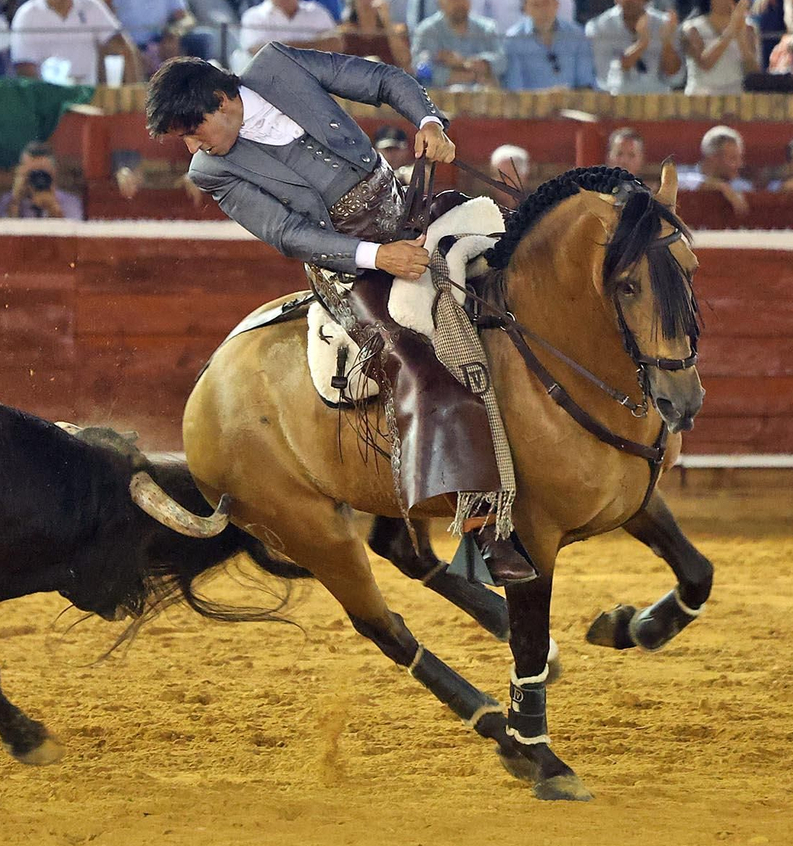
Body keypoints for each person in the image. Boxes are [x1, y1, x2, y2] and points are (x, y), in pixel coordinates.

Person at [146, 52, 534, 581]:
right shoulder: (212, 170)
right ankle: (483, 528)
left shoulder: (279, 65)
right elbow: (288, 233)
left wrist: (428, 121)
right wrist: (379, 257)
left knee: (526, 264)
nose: (193, 147)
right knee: (418, 365)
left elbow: (381, 79)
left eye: (193, 131)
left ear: (223, 100)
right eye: (184, 140)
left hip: (409, 207)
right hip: (350, 269)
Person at [10, 0, 138, 83]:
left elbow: (121, 45)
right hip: (45, 96)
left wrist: (133, 92)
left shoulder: (91, 5)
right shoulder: (27, 14)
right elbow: (24, 68)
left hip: (89, 95)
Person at [585, 0, 685, 92]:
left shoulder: (665, 24)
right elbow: (606, 77)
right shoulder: (599, 27)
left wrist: (666, 43)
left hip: (658, 100)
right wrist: (641, 43)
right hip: (617, 101)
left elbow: (676, 78)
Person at [411, 0, 506, 88]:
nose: (459, 3)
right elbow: (421, 69)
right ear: (440, 2)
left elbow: (502, 62)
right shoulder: (427, 31)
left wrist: (463, 62)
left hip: (482, 101)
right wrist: (469, 75)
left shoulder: (487, 28)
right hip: (439, 102)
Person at [503, 0, 596, 89]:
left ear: (556, 4)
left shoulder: (577, 36)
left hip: (571, 105)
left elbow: (586, 83)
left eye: (546, 3)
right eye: (535, 5)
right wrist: (548, 97)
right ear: (526, 8)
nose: (542, 10)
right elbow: (514, 89)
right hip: (528, 105)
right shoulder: (513, 40)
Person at [681, 0, 760, 94]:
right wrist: (730, 31)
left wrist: (741, 37)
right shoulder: (692, 28)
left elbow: (752, 72)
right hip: (701, 97)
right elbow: (705, 63)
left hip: (736, 97)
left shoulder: (749, 27)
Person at [338, 0, 409, 69]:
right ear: (353, 0)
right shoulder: (344, 33)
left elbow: (405, 63)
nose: (369, 0)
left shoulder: (398, 31)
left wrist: (387, 22)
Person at [0, 139, 81, 219]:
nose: (39, 178)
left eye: (43, 172)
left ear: (53, 173)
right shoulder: (9, 200)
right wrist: (16, 200)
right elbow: (5, 231)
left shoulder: (69, 201)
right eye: (33, 172)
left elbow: (72, 231)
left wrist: (53, 208)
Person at [677, 123, 751, 213]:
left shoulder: (741, 186)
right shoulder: (683, 175)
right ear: (713, 158)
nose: (739, 164)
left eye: (739, 158)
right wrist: (718, 186)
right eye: (733, 158)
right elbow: (672, 182)